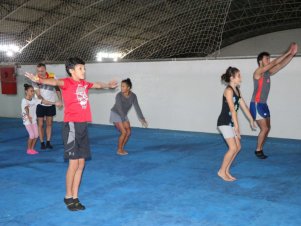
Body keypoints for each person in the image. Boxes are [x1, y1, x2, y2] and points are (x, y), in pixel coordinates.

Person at [25, 57, 118, 211]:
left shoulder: (84, 84)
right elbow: (54, 82)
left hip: (82, 127)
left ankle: (75, 197)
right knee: (73, 164)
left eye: (84, 68)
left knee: (81, 164)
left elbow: (98, 85)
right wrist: (38, 79)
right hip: (71, 127)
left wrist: (108, 85)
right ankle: (68, 196)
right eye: (81, 68)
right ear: (71, 70)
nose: (84, 71)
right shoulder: (67, 83)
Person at [250, 43, 298, 159]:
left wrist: (291, 55)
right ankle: (258, 150)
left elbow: (280, 65)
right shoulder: (258, 72)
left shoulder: (267, 73)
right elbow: (275, 63)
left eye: (269, 58)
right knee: (264, 128)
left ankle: (260, 148)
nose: (269, 60)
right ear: (260, 61)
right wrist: (287, 51)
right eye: (267, 58)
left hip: (263, 104)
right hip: (256, 104)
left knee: (268, 128)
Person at [217, 67, 256, 182]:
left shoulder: (237, 90)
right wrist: (236, 127)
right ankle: (221, 171)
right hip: (224, 122)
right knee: (233, 147)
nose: (241, 78)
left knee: (238, 147)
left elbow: (243, 105)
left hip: (230, 123)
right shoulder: (228, 91)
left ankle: (226, 170)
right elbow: (233, 110)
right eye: (238, 76)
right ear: (232, 78)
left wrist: (251, 119)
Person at [110, 78, 148, 155]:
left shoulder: (133, 96)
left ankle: (121, 147)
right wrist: (124, 120)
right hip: (116, 113)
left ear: (128, 88)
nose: (122, 88)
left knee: (129, 132)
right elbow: (120, 108)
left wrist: (142, 118)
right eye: (121, 86)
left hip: (123, 114)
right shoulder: (119, 95)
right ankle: (119, 150)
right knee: (124, 132)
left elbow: (137, 107)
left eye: (123, 86)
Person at [22, 84, 61, 155]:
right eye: (31, 91)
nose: (33, 93)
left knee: (36, 135)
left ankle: (32, 148)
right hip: (27, 121)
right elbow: (26, 108)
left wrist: (54, 103)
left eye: (33, 91)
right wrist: (28, 116)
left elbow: (44, 102)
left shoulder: (34, 100)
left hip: (33, 121)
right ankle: (29, 149)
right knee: (32, 135)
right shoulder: (24, 100)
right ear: (26, 91)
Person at [33, 63, 62, 150]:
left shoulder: (53, 76)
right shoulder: (35, 79)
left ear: (45, 69)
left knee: (49, 124)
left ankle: (48, 142)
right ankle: (42, 142)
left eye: (42, 71)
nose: (40, 73)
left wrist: (60, 99)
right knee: (40, 125)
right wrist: (46, 101)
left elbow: (57, 89)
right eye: (38, 71)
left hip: (51, 105)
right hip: (40, 105)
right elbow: (38, 95)